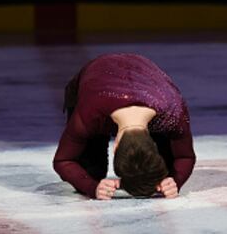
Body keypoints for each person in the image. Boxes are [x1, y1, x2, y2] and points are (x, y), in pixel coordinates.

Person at [53, 53, 196, 200]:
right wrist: (92, 186)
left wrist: (174, 181)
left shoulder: (172, 111)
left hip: (144, 80)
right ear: (115, 147)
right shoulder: (88, 115)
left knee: (161, 173)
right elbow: (63, 160)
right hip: (98, 81)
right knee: (91, 174)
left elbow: (185, 156)